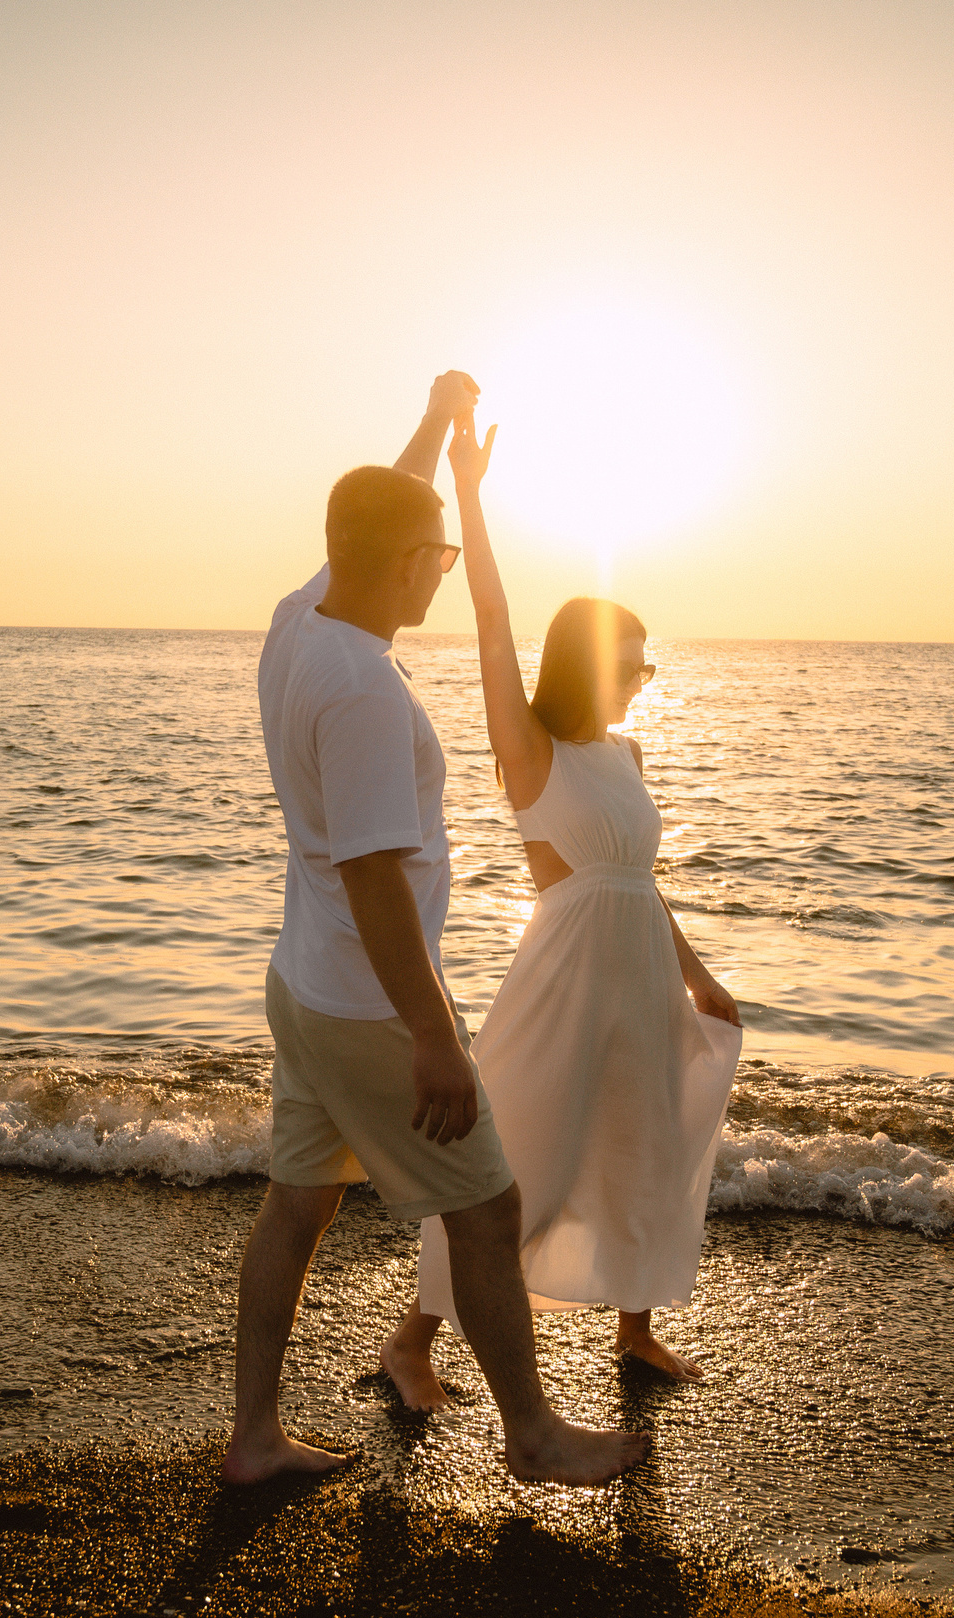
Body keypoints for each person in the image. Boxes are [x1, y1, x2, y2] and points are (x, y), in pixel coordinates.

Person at [226, 371, 650, 1489]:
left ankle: (254, 1436)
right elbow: (372, 876)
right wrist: (431, 1033)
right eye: (440, 555)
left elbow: (382, 506)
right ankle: (533, 1434)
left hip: (304, 979)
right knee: (486, 1205)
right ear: (409, 561)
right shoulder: (362, 689)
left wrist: (433, 430)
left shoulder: (299, 622)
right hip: (369, 1002)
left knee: (298, 1202)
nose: (441, 572)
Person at [379, 406, 745, 1411]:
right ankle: (409, 1344)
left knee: (646, 1141)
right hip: (567, 979)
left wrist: (697, 975)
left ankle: (635, 1332)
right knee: (527, 1161)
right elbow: (493, 623)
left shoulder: (624, 758)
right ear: (591, 665)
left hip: (638, 976)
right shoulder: (533, 751)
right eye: (634, 662)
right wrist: (470, 487)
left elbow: (639, 882)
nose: (645, 677)